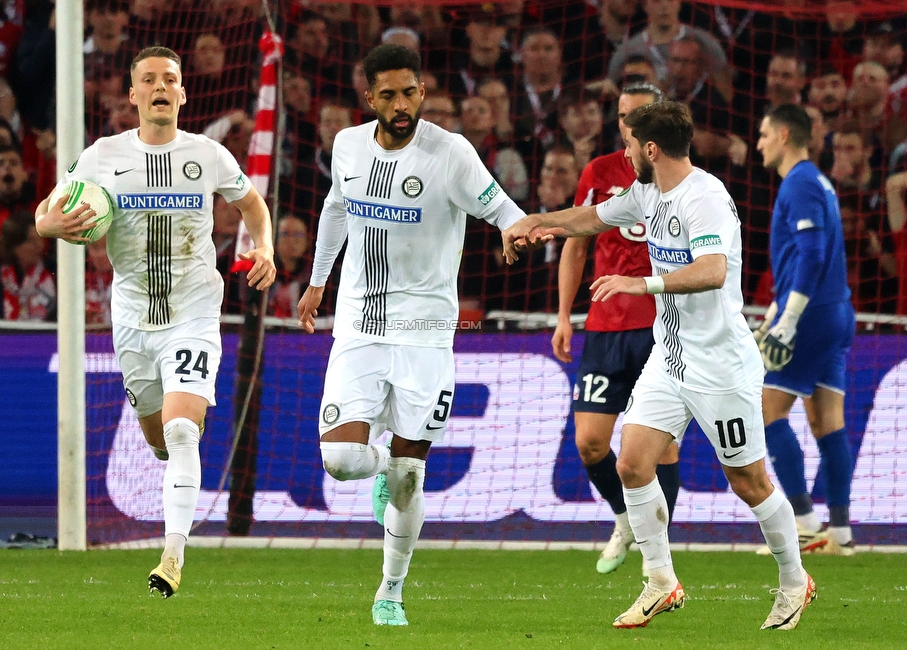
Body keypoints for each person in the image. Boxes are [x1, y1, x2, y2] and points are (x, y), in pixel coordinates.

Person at [503, 101, 814, 631]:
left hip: (721, 366)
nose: (624, 154)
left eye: (629, 145)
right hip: (670, 360)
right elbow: (594, 217)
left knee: (749, 481)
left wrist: (639, 283)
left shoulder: (706, 196)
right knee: (630, 462)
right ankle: (661, 582)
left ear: (650, 149)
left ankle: (794, 581)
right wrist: (538, 222)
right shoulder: (646, 193)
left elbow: (713, 270)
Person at [296, 43, 527, 627]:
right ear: (369, 97)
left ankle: (390, 592)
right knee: (343, 460)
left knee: (409, 474)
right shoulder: (347, 146)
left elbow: (502, 208)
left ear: (422, 92)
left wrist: (514, 232)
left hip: (426, 332)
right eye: (389, 95)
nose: (402, 105)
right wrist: (318, 281)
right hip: (358, 323)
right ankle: (380, 466)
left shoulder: (450, 154)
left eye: (411, 92)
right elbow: (335, 208)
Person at [33, 45, 275, 598]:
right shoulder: (101, 156)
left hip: (194, 309)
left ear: (183, 93)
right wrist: (55, 228)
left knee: (182, 429)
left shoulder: (208, 154)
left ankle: (172, 554)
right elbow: (45, 213)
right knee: (158, 433)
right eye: (149, 79)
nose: (161, 86)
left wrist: (262, 247)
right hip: (134, 318)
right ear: (134, 93)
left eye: (171, 78)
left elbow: (252, 204)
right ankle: (171, 451)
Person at [553, 82, 681, 576]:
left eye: (638, 115)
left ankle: (658, 558)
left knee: (660, 444)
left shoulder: (678, 177)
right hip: (606, 328)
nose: (628, 124)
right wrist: (565, 315)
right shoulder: (600, 172)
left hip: (661, 327)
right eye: (623, 115)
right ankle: (626, 517)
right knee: (590, 441)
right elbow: (575, 243)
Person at [754, 104, 856, 556]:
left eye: (762, 135)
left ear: (782, 136)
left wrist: (789, 320)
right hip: (834, 310)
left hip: (811, 316)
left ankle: (803, 521)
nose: (758, 143)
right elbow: (803, 257)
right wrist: (778, 307)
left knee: (767, 411)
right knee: (825, 420)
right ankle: (840, 532)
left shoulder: (797, 182)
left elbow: (813, 254)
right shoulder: (818, 181)